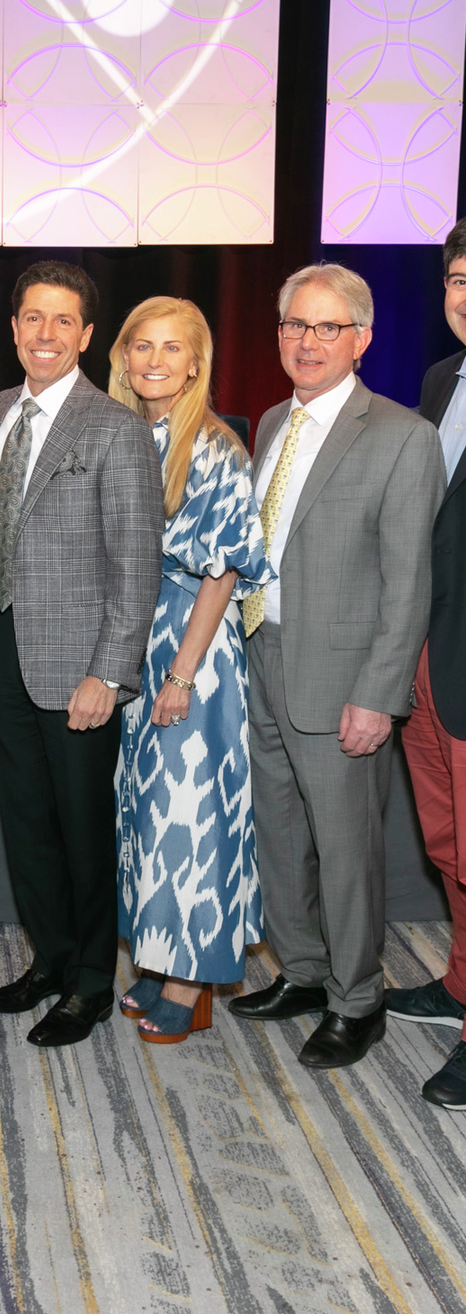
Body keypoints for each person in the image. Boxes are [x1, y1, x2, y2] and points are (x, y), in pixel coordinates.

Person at [229, 263, 444, 1069]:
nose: (308, 342)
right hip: (264, 654)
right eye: (294, 326)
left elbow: (408, 584)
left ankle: (360, 1000)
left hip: (345, 679)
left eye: (327, 327)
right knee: (278, 835)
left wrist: (379, 696)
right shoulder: (269, 426)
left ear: (362, 338)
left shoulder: (401, 436)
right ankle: (306, 974)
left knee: (347, 847)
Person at [0, 263, 162, 1047]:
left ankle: (89, 982)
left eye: (63, 321)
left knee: (85, 832)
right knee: (27, 827)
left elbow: (136, 564)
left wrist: (109, 672)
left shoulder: (115, 428)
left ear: (87, 336)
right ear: (15, 328)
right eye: (31, 318)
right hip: (3, 656)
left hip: (80, 670)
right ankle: (50, 960)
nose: (44, 334)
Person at [109, 297, 269, 1043]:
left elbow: (221, 576)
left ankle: (189, 979)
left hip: (190, 652)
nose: (154, 361)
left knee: (191, 816)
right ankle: (156, 953)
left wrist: (180, 675)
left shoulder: (213, 448)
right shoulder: (130, 434)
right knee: (143, 811)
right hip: (139, 641)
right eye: (142, 346)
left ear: (197, 363)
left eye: (173, 349)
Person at [388, 217, 466, 1110]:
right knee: (449, 847)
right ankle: (459, 982)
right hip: (429, 659)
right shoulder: (443, 381)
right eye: (455, 280)